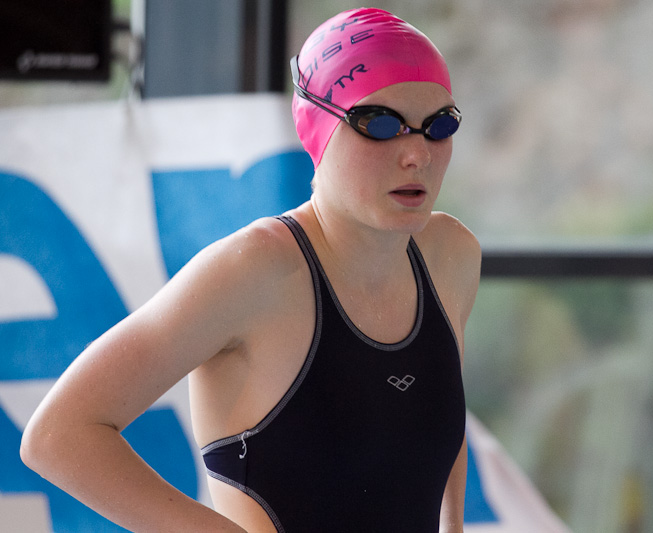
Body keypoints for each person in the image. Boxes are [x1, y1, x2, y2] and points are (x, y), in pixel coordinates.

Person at [20, 7, 481, 533]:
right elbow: (58, 435)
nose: (418, 154)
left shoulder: (450, 256)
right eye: (380, 124)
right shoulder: (254, 271)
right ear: (318, 128)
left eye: (439, 126)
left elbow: (434, 418)